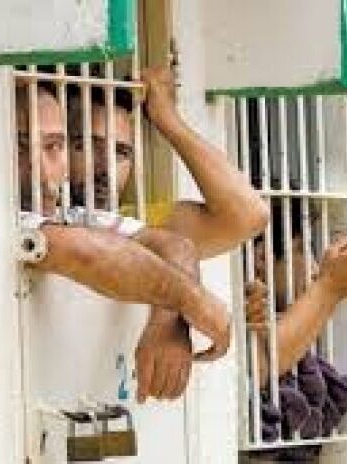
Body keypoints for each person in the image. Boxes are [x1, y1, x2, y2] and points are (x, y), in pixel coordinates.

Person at [63, 66, 270, 402]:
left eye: (121, 152)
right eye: (85, 145)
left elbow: (248, 214)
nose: (106, 167)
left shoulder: (135, 221)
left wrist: (167, 119)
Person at [15, 83, 233, 372]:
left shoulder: (74, 217)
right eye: (20, 147)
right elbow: (88, 254)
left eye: (53, 146)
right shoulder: (0, 218)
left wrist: (166, 322)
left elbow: (176, 246)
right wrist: (192, 301)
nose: (40, 169)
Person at [241, 199, 347, 459]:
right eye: (302, 250)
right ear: (262, 257)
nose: (313, 268)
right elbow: (264, 366)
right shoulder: (244, 305)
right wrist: (329, 287)